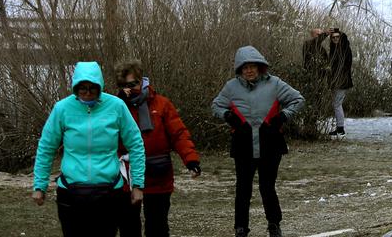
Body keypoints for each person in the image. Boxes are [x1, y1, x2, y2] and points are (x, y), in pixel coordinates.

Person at [32, 61, 146, 237]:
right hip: (71, 192)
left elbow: (136, 144)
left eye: (92, 88)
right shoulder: (62, 109)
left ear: (99, 87)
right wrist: (40, 185)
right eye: (82, 88)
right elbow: (47, 146)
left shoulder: (116, 106)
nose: (87, 93)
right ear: (75, 87)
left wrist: (137, 184)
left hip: (108, 192)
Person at [213, 45, 305, 237]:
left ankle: (274, 224)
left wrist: (284, 116)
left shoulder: (275, 83)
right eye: (245, 67)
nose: (249, 70)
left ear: (260, 66)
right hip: (242, 144)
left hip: (270, 144)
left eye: (253, 66)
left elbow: (298, 99)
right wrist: (228, 115)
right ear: (240, 69)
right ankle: (240, 227)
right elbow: (216, 105)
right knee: (242, 188)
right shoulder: (231, 87)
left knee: (267, 187)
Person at [113, 62, 200, 237]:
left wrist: (191, 159)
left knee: (157, 226)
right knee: (129, 226)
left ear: (142, 81)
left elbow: (179, 134)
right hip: (126, 175)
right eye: (124, 86)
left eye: (133, 84)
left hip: (158, 172)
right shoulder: (115, 107)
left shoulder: (162, 104)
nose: (129, 89)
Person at [305, 27, 356, 137]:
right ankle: (311, 129)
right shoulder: (309, 45)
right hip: (315, 81)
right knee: (318, 105)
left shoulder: (343, 49)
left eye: (338, 37)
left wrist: (337, 32)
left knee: (336, 104)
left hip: (340, 82)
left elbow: (339, 66)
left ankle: (340, 128)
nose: (335, 39)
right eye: (333, 37)